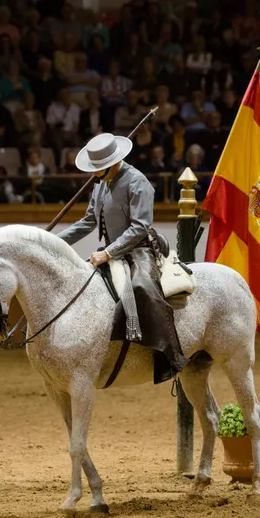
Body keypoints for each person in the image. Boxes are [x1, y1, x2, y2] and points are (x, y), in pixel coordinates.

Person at [56, 133, 188, 384]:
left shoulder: (138, 182)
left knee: (142, 288)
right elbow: (88, 222)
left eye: (99, 169)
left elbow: (140, 226)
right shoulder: (101, 184)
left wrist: (108, 252)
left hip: (140, 249)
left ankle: (168, 357)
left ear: (113, 163)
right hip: (113, 250)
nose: (94, 174)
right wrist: (54, 242)